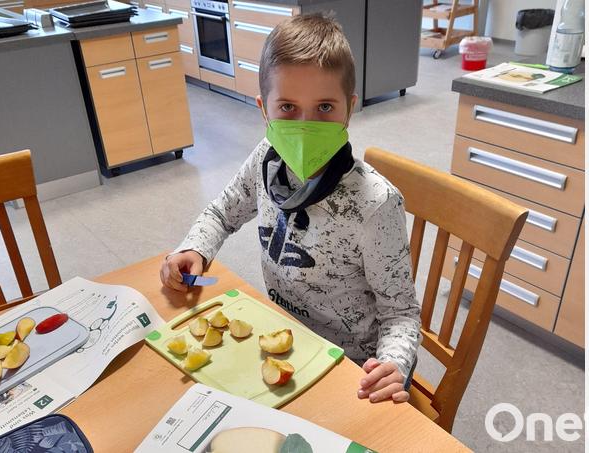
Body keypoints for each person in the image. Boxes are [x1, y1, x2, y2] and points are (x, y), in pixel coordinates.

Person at [160, 13, 421, 403]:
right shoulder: (266, 157)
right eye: (287, 108)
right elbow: (222, 212)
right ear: (264, 108)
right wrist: (193, 248)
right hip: (283, 336)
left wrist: (394, 366)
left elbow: (400, 314)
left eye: (325, 108)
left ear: (349, 108)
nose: (305, 125)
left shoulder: (375, 204)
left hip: (350, 368)